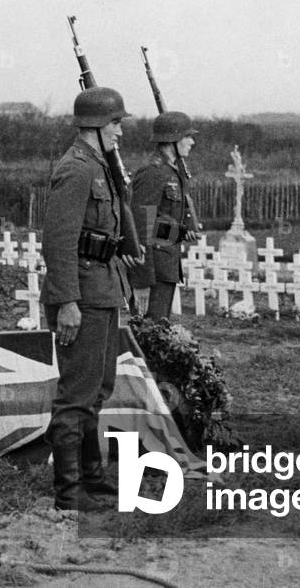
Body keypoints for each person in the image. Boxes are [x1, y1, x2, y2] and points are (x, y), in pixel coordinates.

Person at [41, 86, 140, 511]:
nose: (120, 131)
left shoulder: (99, 167)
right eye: (116, 123)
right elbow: (59, 240)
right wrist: (66, 302)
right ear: (98, 125)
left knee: (98, 388)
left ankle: (92, 478)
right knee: (75, 396)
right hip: (80, 295)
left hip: (101, 289)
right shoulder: (77, 170)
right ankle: (69, 493)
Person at [129, 111, 199, 320]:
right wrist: (142, 281)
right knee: (148, 335)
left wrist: (180, 232)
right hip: (153, 273)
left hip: (165, 268)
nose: (192, 142)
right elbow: (142, 227)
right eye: (187, 136)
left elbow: (158, 225)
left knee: (158, 333)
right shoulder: (153, 173)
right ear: (173, 140)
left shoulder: (171, 172)